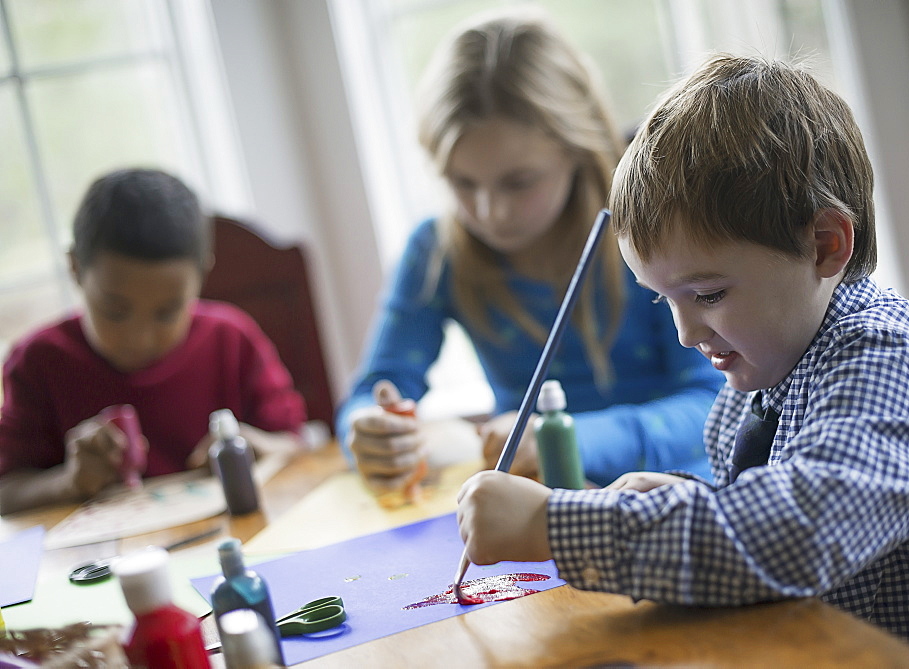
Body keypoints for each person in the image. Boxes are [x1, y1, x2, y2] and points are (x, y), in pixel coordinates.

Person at [455, 55, 909, 667]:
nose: (687, 334)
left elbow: (795, 536)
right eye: (665, 301)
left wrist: (555, 524)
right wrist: (686, 498)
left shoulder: (896, 362)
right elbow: (767, 505)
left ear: (825, 245)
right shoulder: (768, 360)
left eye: (708, 295)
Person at [336, 8, 722, 498]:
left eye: (518, 182)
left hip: (678, 497)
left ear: (577, 148)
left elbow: (715, 402)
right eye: (462, 183)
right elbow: (376, 387)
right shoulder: (437, 251)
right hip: (533, 509)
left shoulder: (653, 225)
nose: (490, 211)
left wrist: (565, 438)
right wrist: (372, 428)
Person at [0, 168, 306, 515]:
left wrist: (255, 447)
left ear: (202, 275)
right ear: (75, 269)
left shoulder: (232, 340)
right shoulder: (37, 362)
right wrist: (69, 481)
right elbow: (6, 490)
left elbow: (295, 444)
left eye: (167, 312)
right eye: (115, 311)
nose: (139, 337)